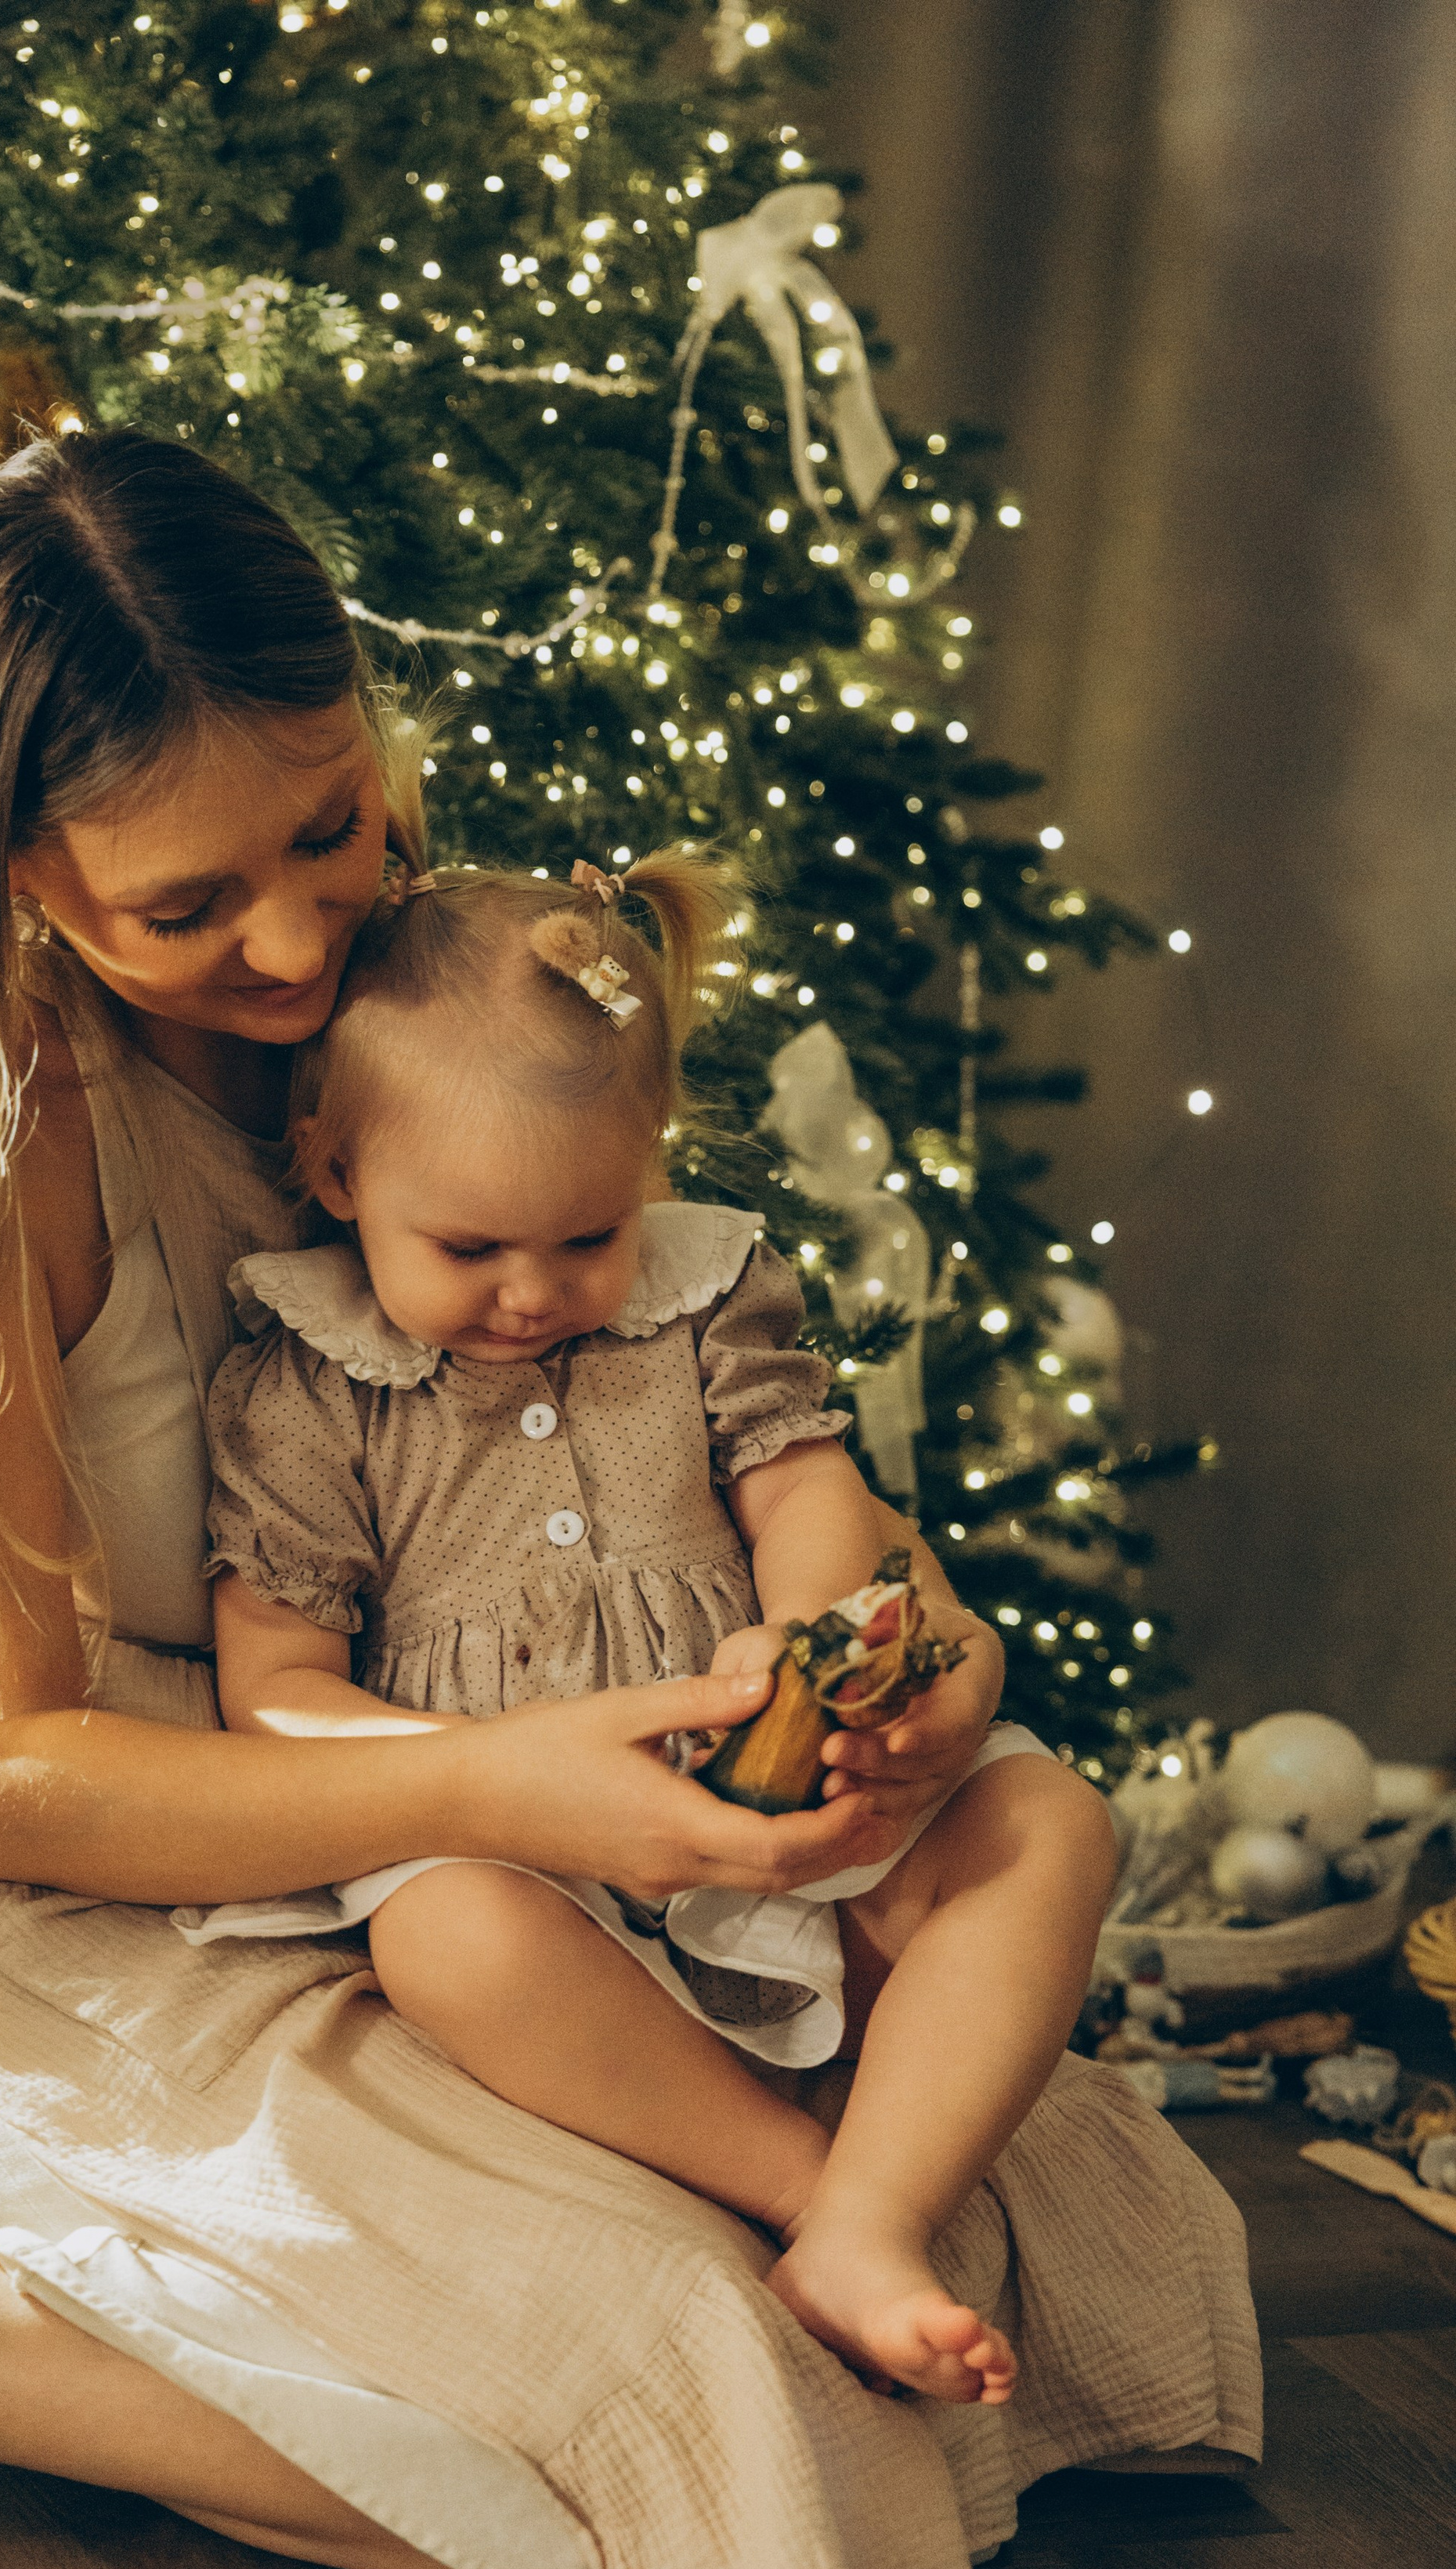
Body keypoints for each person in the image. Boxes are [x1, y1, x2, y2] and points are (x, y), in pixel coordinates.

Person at [0, 426, 1260, 2569]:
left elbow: (728, 1432)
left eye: (331, 826)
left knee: (1025, 2222)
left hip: (500, 1809)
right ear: (4, 876)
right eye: (187, 909)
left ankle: (689, 2263)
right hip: (101, 1891)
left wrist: (927, 1647)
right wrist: (509, 1789)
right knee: (711, 2397)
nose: (298, 943)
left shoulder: (451, 993)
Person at [200, 852, 1107, 2406]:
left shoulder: (703, 1300)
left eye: (583, 1234)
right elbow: (273, 1683)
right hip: (527, 1855)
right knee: (440, 1930)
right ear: (336, 1173)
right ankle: (808, 2193)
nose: (531, 1293)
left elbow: (804, 1486)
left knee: (1048, 1823)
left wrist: (808, 1637)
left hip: (755, 1789)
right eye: (469, 1250)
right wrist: (484, 1772)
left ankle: (870, 2209)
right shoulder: (310, 1388)